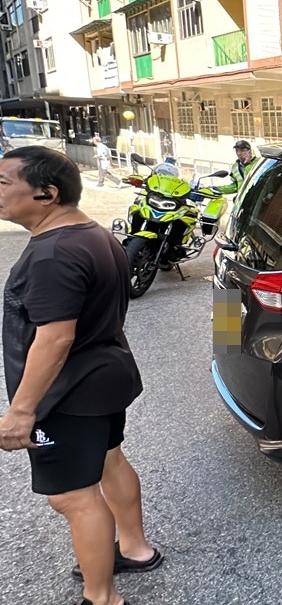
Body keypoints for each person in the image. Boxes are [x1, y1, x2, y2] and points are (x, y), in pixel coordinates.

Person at [0, 146, 162, 605]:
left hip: (70, 393)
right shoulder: (93, 233)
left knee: (72, 497)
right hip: (106, 377)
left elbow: (54, 339)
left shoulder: (53, 254)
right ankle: (135, 548)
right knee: (110, 460)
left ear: (46, 193)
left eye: (4, 183)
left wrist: (21, 412)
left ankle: (102, 597)